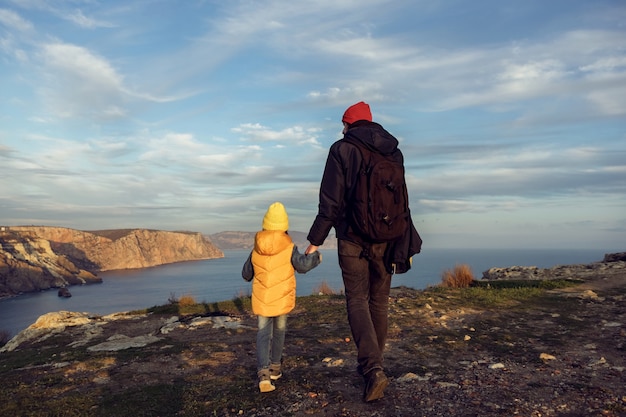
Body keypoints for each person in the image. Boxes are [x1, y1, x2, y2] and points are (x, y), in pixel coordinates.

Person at [305, 101, 421, 402]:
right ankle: (374, 367)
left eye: (343, 124)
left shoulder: (342, 149)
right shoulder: (393, 152)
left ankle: (373, 370)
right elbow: (402, 202)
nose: (342, 129)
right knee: (379, 303)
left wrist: (315, 240)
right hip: (388, 237)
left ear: (349, 124)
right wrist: (404, 239)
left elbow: (330, 201)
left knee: (357, 299)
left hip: (353, 239)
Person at [242, 202, 322, 393]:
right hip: (282, 298)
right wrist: (316, 257)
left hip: (262, 300)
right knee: (279, 331)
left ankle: (263, 375)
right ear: (284, 225)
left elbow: (246, 274)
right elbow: (302, 266)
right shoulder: (289, 247)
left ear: (265, 224)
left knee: (263, 334)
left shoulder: (256, 248)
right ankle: (275, 368)